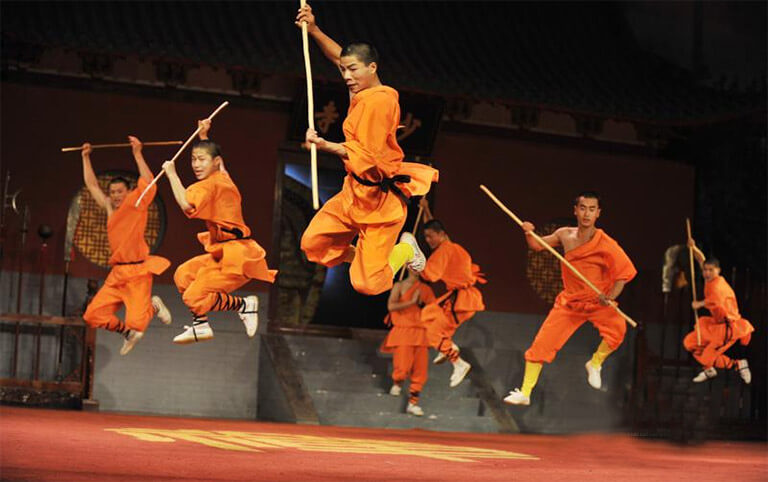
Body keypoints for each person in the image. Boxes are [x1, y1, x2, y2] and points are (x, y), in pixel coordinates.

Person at [295, 4, 439, 296]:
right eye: (344, 70)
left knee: (368, 285)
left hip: (380, 201)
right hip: (352, 194)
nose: (346, 76)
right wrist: (314, 30)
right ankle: (362, 257)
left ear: (372, 68)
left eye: (353, 69)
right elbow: (338, 56)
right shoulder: (359, 89)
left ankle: (404, 250)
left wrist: (324, 145)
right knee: (313, 244)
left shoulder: (381, 102)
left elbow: (368, 155)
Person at [504, 192, 636, 406]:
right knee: (541, 344)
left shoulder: (606, 243)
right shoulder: (564, 234)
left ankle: (595, 363)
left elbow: (623, 273)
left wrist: (610, 297)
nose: (587, 213)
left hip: (597, 301)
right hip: (570, 302)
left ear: (598, 213)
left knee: (618, 330)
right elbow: (537, 245)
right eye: (583, 208)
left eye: (592, 209)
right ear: (575, 210)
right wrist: (529, 233)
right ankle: (525, 392)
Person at [162, 119, 277, 344]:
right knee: (183, 275)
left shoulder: (209, 185)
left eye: (201, 159)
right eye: (193, 159)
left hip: (238, 255)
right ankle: (203, 323)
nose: (196, 164)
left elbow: (187, 204)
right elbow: (219, 164)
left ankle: (244, 305)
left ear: (215, 162)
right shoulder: (222, 176)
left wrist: (171, 174)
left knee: (193, 295)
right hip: (221, 251)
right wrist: (204, 136)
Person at [81, 137, 171, 355]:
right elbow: (92, 185)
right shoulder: (111, 210)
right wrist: (85, 157)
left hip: (137, 272)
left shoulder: (136, 203)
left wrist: (138, 153)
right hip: (118, 274)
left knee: (138, 323)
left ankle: (154, 306)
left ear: (128, 190)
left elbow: (149, 181)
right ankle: (127, 334)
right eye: (112, 193)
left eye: (119, 192)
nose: (115, 196)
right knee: (92, 316)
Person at [419, 213, 486, 388]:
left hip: (461, 301)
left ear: (441, 234)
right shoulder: (453, 248)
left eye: (430, 236)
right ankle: (447, 346)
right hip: (462, 297)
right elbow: (435, 228)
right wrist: (426, 210)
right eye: (425, 237)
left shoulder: (444, 251)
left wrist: (414, 263)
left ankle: (458, 363)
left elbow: (430, 275)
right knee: (428, 314)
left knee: (434, 333)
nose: (428, 240)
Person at [682, 238, 753, 384]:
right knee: (690, 343)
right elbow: (701, 259)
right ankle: (711, 369)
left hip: (728, 328)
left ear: (718, 271)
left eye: (710, 270)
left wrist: (699, 304)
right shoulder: (710, 279)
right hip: (715, 325)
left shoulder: (718, 285)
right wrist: (694, 248)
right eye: (705, 270)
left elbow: (716, 300)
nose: (707, 273)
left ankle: (738, 365)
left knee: (707, 356)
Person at [381, 267, 436, 416]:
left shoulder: (425, 289)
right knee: (402, 367)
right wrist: (411, 302)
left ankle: (413, 403)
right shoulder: (399, 286)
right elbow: (391, 306)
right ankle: (397, 382)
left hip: (421, 333)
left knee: (420, 370)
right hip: (404, 330)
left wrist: (422, 305)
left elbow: (434, 312)